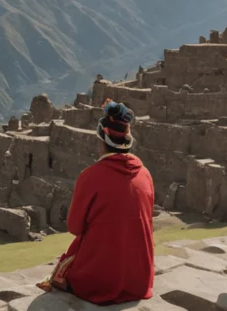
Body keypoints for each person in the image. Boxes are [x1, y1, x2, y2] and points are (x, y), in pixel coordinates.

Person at [37, 100, 155, 305]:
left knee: (75, 256)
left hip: (101, 279)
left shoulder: (91, 176)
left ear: (101, 140)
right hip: (140, 279)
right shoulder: (145, 174)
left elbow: (74, 227)